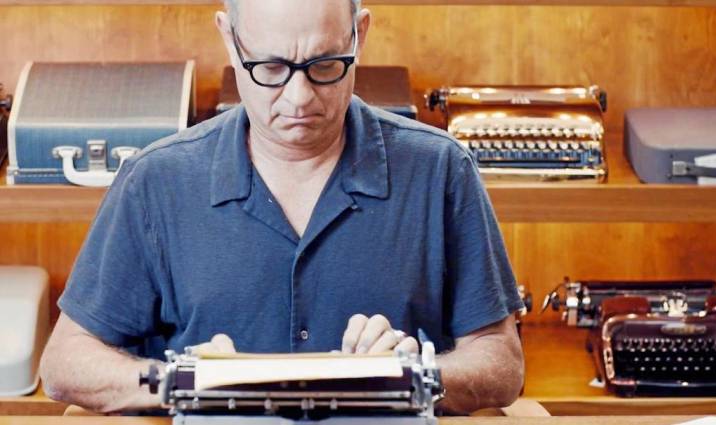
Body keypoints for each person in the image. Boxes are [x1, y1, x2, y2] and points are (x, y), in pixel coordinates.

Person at [40, 0, 524, 415]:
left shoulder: (440, 169)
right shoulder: (156, 180)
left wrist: (412, 376)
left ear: (360, 34)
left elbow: (501, 364)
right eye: (270, 68)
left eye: (325, 65)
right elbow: (66, 363)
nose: (299, 98)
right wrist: (182, 381)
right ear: (230, 40)